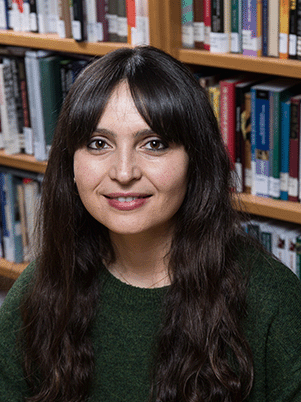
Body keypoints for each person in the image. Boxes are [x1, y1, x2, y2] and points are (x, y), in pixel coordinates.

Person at [0, 45, 301, 402]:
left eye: (154, 144)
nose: (124, 172)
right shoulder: (41, 288)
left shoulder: (273, 301)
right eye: (99, 143)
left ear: (196, 160)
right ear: (70, 163)